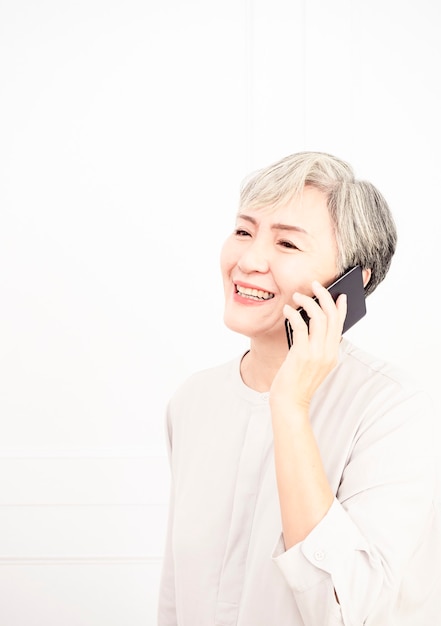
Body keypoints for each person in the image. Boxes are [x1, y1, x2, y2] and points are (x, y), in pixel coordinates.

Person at [157, 151, 441, 625]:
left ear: (351, 282)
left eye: (287, 245)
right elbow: (177, 597)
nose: (248, 260)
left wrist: (290, 406)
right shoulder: (193, 401)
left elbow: (341, 610)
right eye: (244, 231)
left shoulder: (395, 412)